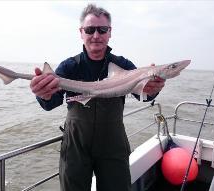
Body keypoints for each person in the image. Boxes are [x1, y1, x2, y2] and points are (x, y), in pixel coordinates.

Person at [30, 4, 165, 191]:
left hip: (113, 145)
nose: (96, 35)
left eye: (102, 30)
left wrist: (153, 89)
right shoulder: (69, 67)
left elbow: (143, 94)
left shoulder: (122, 65)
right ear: (81, 32)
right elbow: (50, 103)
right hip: (76, 145)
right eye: (90, 29)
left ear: (109, 32)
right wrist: (42, 94)